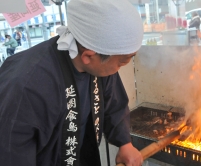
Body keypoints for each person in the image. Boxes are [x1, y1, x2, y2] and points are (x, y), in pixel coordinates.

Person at [0, 0, 143, 166]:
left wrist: (125, 144)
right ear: (88, 56)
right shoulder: (27, 85)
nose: (118, 69)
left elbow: (114, 102)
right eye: (121, 62)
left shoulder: (98, 61)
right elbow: (11, 151)